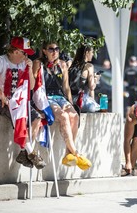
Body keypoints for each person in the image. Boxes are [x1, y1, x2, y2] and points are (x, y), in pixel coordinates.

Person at [0, 36, 46, 169]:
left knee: (36, 119)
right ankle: (32, 153)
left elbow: (31, 86)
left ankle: (25, 152)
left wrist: (29, 70)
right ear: (16, 51)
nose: (26, 56)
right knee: (20, 119)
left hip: (18, 102)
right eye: (24, 53)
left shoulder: (24, 63)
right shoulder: (1, 60)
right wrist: (1, 95)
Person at [32, 41, 92, 170]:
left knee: (74, 116)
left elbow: (66, 87)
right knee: (63, 116)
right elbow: (33, 85)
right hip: (45, 97)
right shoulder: (38, 63)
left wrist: (70, 103)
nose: (55, 52)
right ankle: (76, 153)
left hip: (60, 96)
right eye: (51, 49)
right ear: (44, 51)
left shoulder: (62, 64)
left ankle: (67, 154)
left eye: (57, 49)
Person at [69, 44, 101, 113]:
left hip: (70, 99)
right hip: (81, 101)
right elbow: (92, 87)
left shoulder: (71, 64)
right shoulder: (89, 66)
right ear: (86, 53)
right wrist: (96, 79)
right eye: (92, 52)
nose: (93, 54)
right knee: (98, 107)